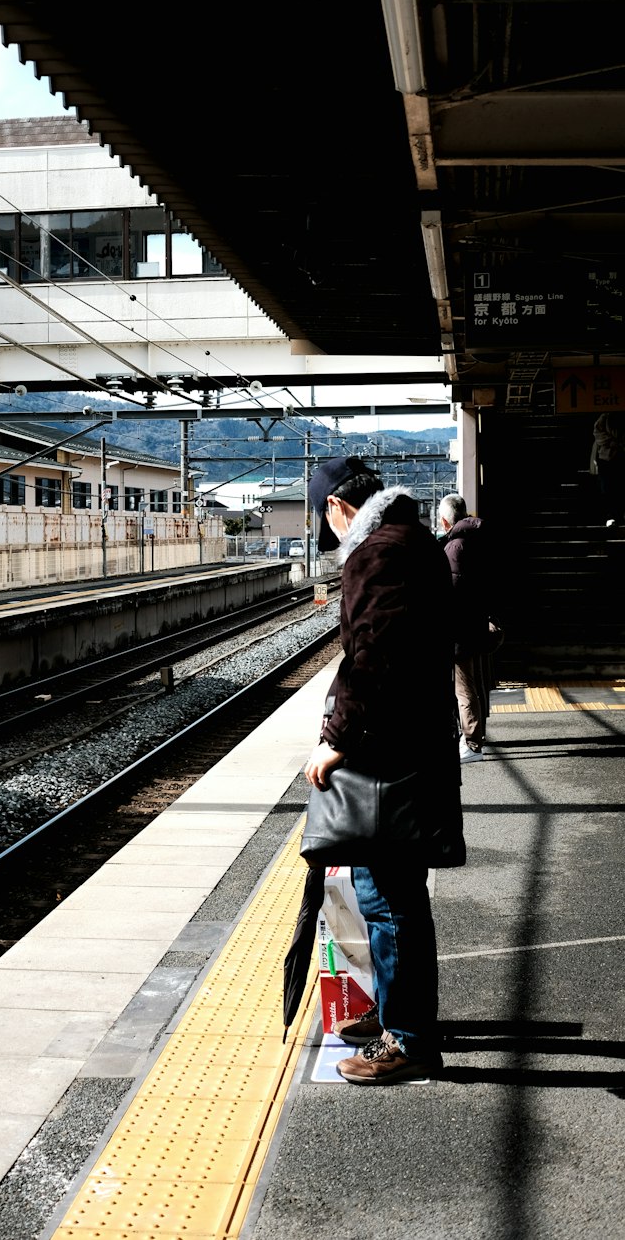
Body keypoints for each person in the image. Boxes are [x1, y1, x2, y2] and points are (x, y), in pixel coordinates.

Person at [303, 456, 458, 1085]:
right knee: (386, 893)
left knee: (391, 901)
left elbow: (375, 656)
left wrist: (335, 739)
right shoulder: (408, 539)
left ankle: (411, 1039)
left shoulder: (380, 554)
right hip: (408, 743)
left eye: (327, 523)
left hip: (392, 753)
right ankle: (400, 1016)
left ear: (338, 508)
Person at [438, 493, 494, 762]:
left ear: (444, 520)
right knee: (475, 683)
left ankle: (472, 744)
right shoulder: (478, 539)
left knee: (464, 687)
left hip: (459, 627)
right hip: (476, 621)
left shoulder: (454, 548)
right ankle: (477, 736)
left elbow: (450, 592)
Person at [591, 411, 625, 528]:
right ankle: (613, 515)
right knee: (609, 488)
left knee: (616, 487)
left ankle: (617, 514)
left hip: (613, 457)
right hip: (607, 458)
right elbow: (598, 434)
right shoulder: (605, 417)